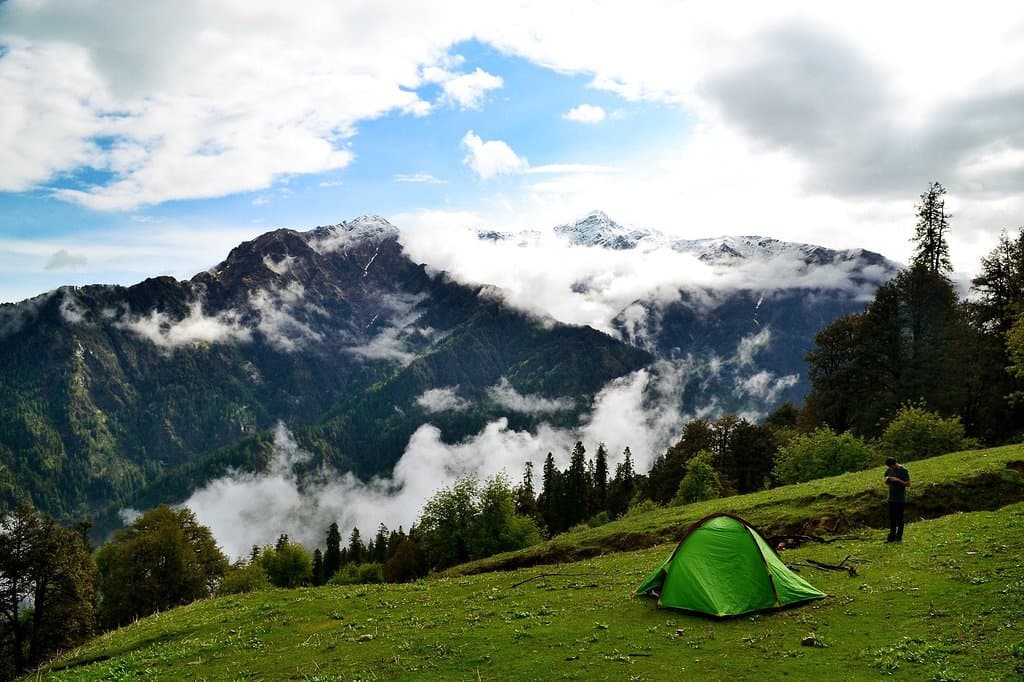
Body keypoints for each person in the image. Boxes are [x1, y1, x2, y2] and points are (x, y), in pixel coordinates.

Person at [884, 456, 910, 542]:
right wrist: (888, 480)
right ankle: (891, 537)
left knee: (899, 519)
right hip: (891, 498)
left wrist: (897, 480)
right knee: (892, 519)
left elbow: (908, 484)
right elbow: (887, 480)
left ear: (895, 464)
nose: (890, 468)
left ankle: (899, 537)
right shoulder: (889, 470)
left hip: (900, 498)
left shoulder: (903, 471)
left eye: (891, 466)